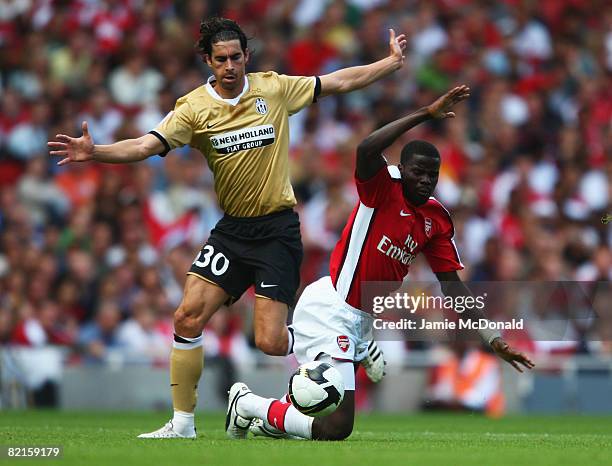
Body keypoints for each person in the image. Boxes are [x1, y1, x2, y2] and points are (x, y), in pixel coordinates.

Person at [47, 17, 408, 439]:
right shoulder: (193, 108)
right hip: (233, 232)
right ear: (208, 60)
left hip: (277, 231)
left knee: (270, 343)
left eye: (237, 57)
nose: (231, 66)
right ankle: (182, 424)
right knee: (186, 316)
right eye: (222, 59)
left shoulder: (273, 88)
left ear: (246, 57)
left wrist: (389, 64)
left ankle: (351, 344)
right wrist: (97, 152)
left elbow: (339, 82)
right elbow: (145, 145)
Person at [226, 86, 535, 441]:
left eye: (432, 175)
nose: (425, 180)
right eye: (418, 171)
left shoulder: (435, 219)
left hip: (360, 318)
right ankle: (249, 404)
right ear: (402, 168)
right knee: (337, 426)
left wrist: (491, 337)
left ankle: (266, 416)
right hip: (334, 306)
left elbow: (452, 285)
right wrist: (424, 113)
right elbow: (366, 148)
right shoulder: (382, 187)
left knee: (322, 409)